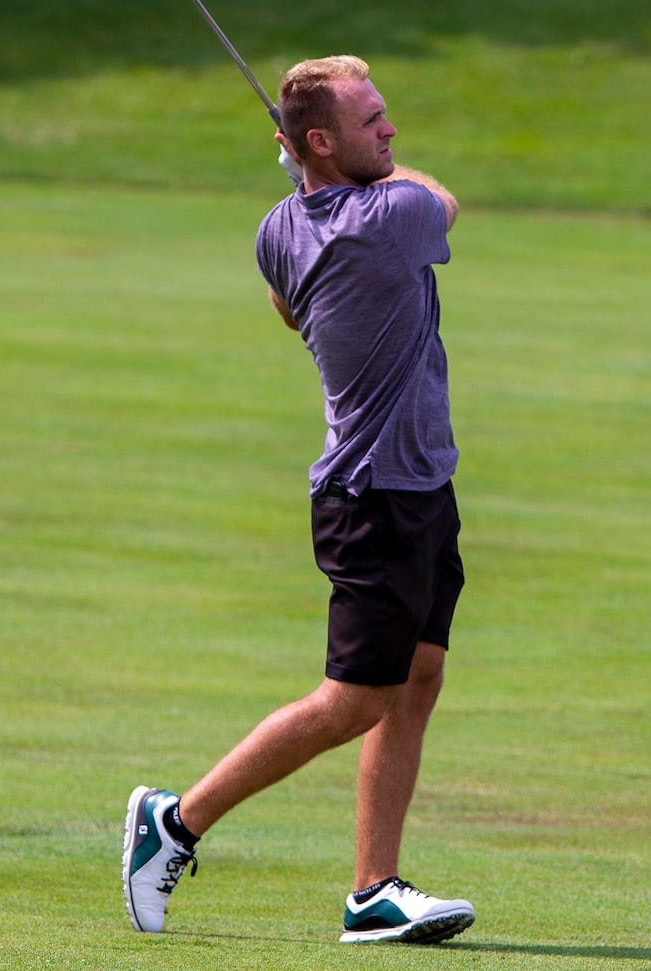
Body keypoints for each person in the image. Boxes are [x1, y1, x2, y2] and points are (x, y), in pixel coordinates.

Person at [123, 55, 473, 945]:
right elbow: (443, 202)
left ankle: (372, 892)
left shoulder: (279, 227)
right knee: (353, 699)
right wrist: (348, 184)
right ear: (319, 140)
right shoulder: (391, 215)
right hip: (375, 496)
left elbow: (288, 306)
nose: (392, 133)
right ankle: (177, 820)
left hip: (421, 482)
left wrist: (311, 184)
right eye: (373, 121)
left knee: (417, 679)